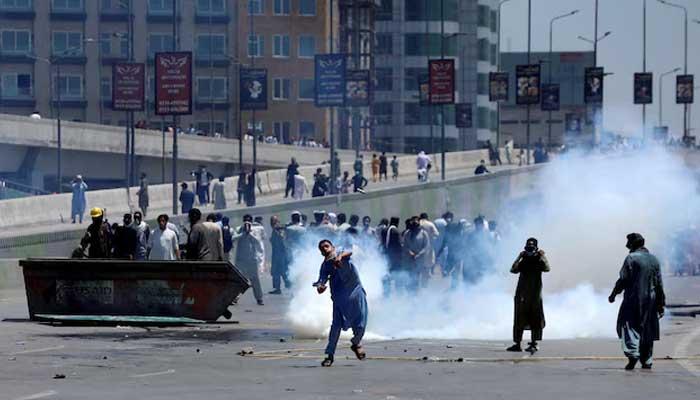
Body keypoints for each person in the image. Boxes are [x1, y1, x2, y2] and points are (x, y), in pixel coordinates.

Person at [608, 233, 666, 370]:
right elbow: (659, 284)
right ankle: (647, 360)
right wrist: (661, 304)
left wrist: (614, 294)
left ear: (633, 244)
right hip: (650, 301)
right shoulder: (654, 259)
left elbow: (623, 279)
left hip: (633, 300)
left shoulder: (631, 258)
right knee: (647, 329)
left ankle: (633, 354)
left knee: (629, 326)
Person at [314, 240, 368, 367]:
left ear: (332, 247)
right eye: (322, 249)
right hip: (339, 298)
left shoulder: (342, 251)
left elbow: (351, 251)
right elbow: (321, 281)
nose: (325, 249)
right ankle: (329, 355)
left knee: (360, 325)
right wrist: (320, 287)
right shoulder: (325, 265)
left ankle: (356, 343)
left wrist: (339, 257)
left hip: (356, 294)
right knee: (336, 326)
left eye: (326, 246)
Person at [508, 238, 551, 354]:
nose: (529, 249)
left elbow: (547, 268)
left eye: (532, 247)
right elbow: (513, 270)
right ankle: (517, 343)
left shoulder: (538, 260)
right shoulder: (524, 260)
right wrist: (519, 256)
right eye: (528, 247)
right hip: (522, 294)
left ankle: (534, 343)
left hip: (535, 295)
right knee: (519, 319)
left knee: (535, 319)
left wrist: (542, 256)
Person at [233, 220, 265, 305]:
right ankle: (235, 297)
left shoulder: (254, 231)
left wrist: (250, 234)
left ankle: (259, 298)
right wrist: (242, 234)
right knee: (240, 281)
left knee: (255, 280)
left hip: (252, 261)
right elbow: (233, 238)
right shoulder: (239, 230)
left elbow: (258, 242)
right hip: (241, 261)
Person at [402, 216, 431, 291]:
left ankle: (416, 293)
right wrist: (409, 252)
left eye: (416, 225)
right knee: (410, 276)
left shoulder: (424, 233)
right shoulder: (407, 233)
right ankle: (410, 292)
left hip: (420, 259)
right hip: (409, 259)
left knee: (418, 277)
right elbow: (404, 245)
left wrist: (419, 254)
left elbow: (426, 246)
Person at [269, 215, 291, 294]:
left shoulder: (278, 229)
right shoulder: (275, 229)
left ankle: (289, 286)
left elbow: (282, 238)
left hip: (281, 253)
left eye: (274, 221)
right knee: (276, 271)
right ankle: (277, 288)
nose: (272, 223)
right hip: (276, 253)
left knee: (283, 271)